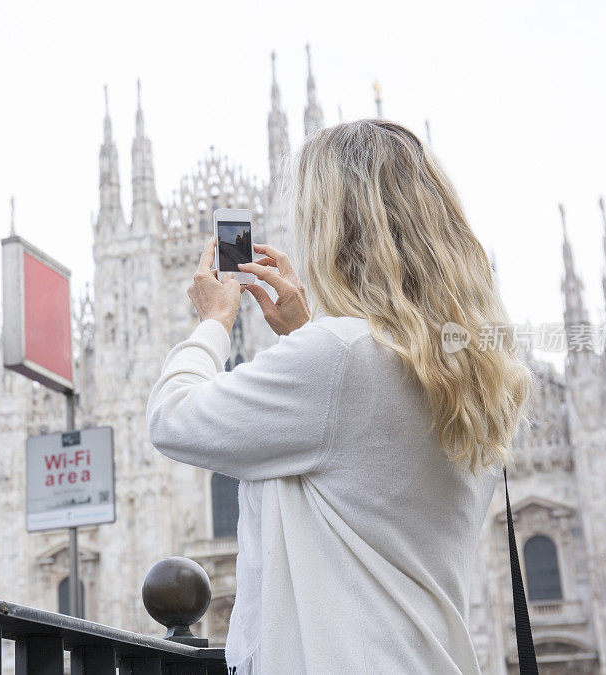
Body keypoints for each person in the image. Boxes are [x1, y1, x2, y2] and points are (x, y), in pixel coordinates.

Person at [146, 120, 532, 674]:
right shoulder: (464, 367)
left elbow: (172, 418)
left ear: (333, 231)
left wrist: (213, 323)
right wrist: (304, 335)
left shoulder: (340, 360)